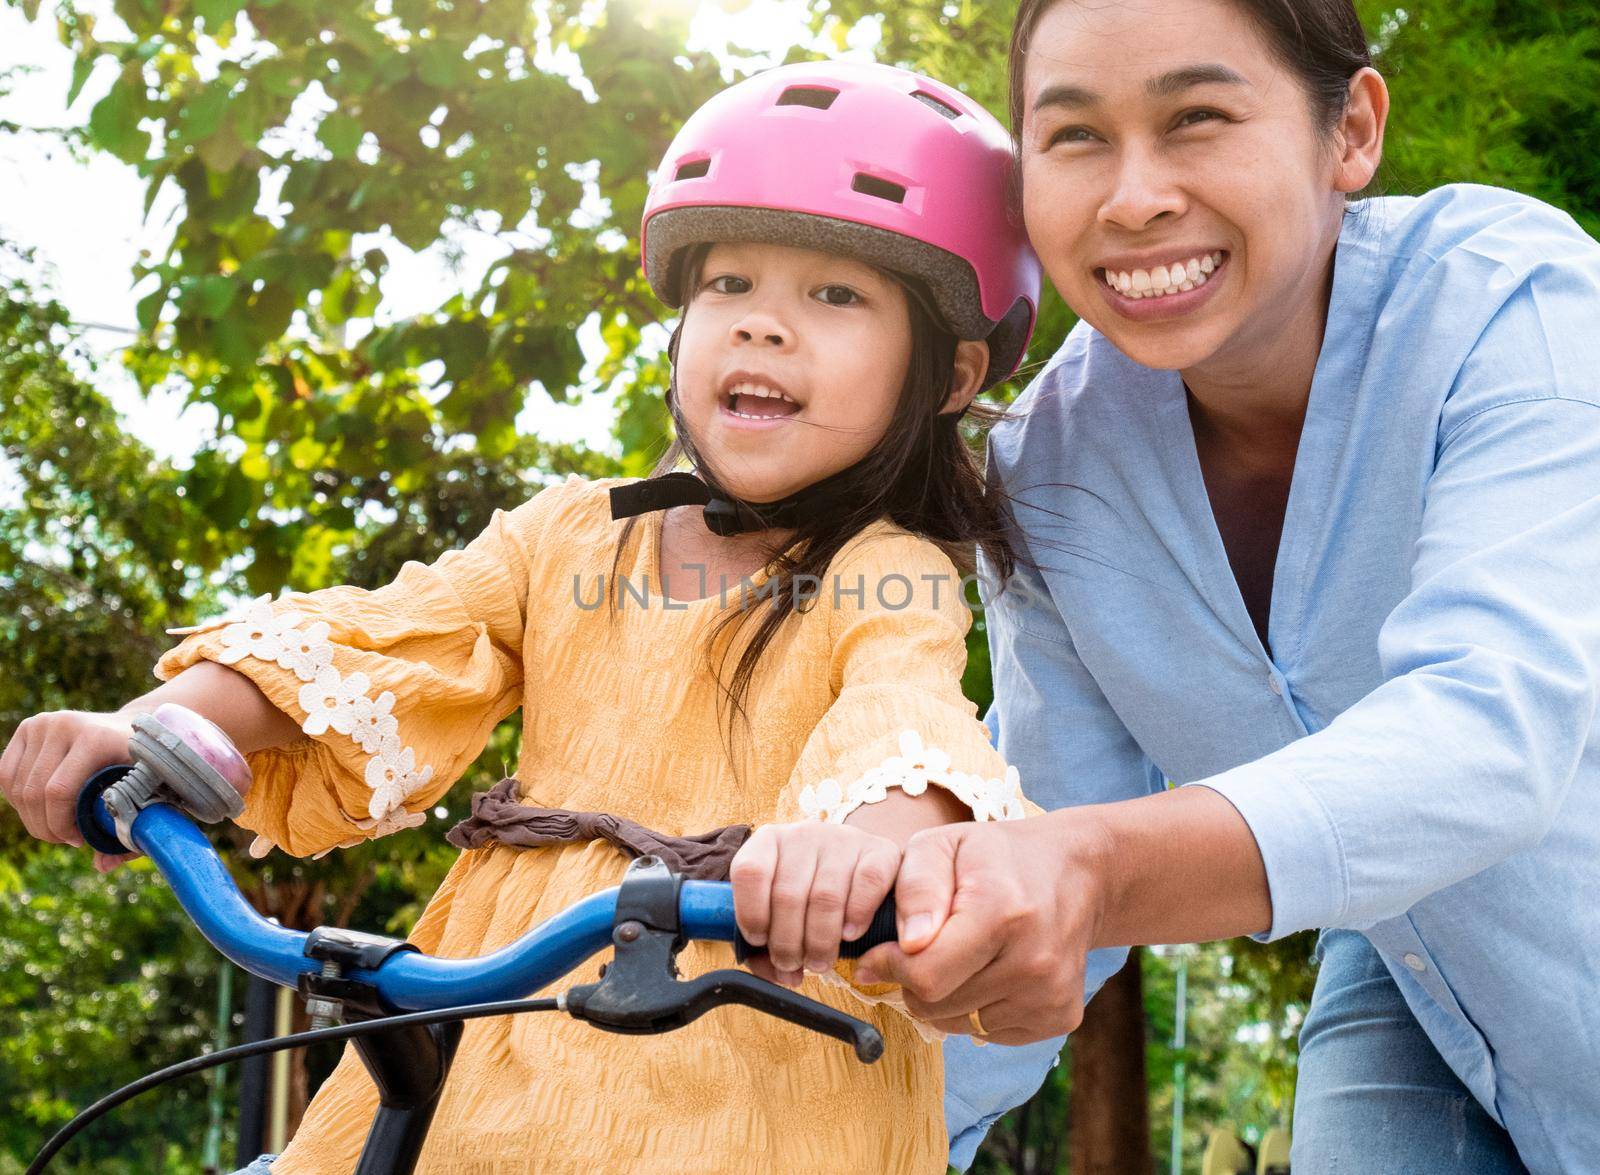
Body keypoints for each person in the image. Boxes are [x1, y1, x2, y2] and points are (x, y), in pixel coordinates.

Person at [0, 61, 1042, 1174]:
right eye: (729, 282)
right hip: (483, 1039)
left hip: (736, 1052)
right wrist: (159, 725)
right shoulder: (567, 535)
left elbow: (905, 714)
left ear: (949, 373)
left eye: (836, 297)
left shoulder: (885, 570)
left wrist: (860, 859)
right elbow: (397, 638)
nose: (764, 328)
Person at [863, 2, 1600, 1173]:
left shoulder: (1512, 302)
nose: (1133, 196)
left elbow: (1489, 730)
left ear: (1348, 131)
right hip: (1411, 975)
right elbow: (1041, 826)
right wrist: (863, 1138)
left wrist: (1092, 869)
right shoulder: (1048, 466)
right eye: (1074, 136)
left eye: (1196, 117)